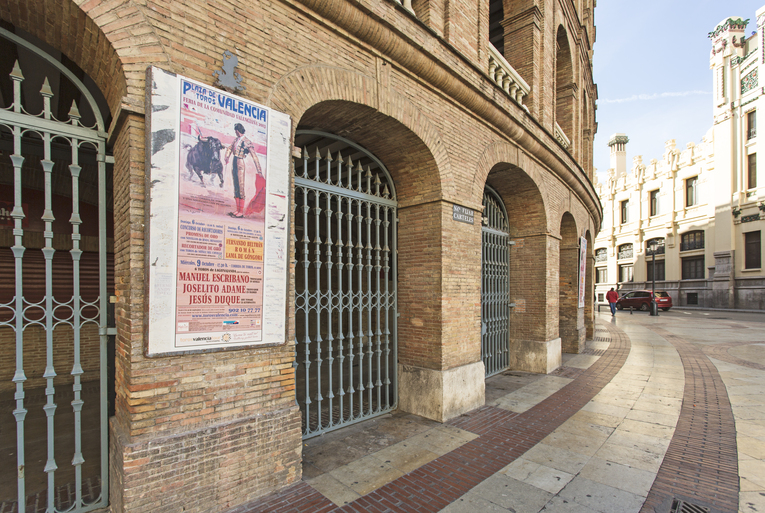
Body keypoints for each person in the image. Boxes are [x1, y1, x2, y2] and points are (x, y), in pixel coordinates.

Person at [224, 123, 263, 218]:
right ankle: (237, 210)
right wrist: (227, 156)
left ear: (238, 131)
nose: (235, 132)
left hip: (240, 162)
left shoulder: (246, 141)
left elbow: (254, 155)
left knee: (240, 186)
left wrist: (259, 170)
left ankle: (240, 212)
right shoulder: (236, 139)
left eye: (236, 131)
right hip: (234, 161)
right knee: (236, 186)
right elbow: (230, 148)